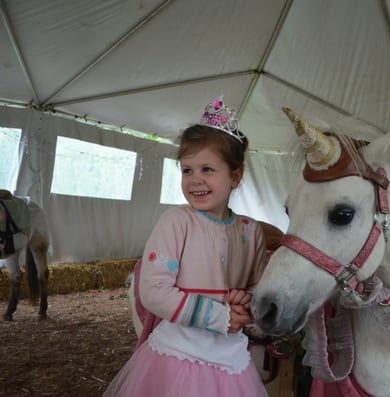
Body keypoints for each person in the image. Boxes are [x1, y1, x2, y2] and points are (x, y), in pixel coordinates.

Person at [103, 97, 270, 397]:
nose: (195, 180)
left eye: (207, 169)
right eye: (187, 170)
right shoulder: (176, 222)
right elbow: (153, 290)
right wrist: (220, 317)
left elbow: (258, 287)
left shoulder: (251, 231)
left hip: (230, 359)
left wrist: (246, 304)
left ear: (235, 176)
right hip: (178, 355)